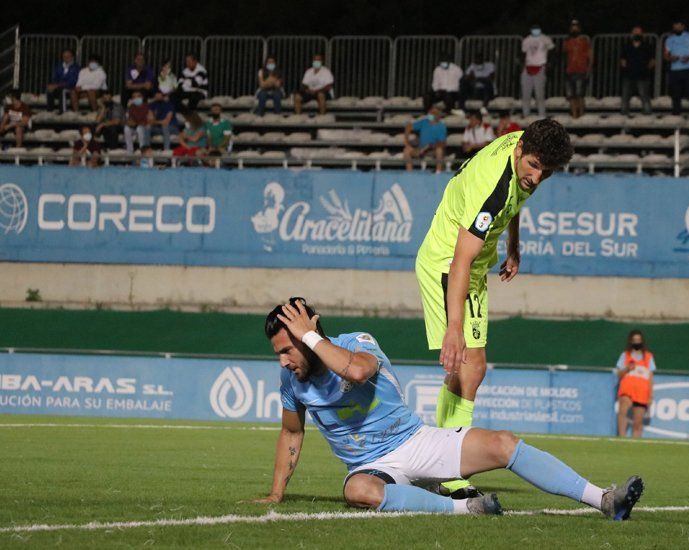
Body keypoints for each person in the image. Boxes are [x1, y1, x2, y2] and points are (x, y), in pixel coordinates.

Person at [253, 296, 644, 520]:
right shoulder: (291, 381)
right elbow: (292, 432)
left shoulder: (358, 343)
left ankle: (604, 499)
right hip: (371, 466)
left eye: (288, 349)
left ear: (311, 335)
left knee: (504, 444)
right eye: (279, 354)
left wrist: (307, 335)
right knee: (359, 490)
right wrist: (275, 494)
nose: (284, 362)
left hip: (416, 441)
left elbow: (355, 372)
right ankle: (465, 508)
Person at [415, 119, 573, 498]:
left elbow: (513, 202)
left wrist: (512, 245)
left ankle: (440, 461)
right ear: (520, 151)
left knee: (469, 370)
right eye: (534, 166)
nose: (537, 177)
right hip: (447, 264)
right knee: (470, 364)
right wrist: (454, 328)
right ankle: (450, 472)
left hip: (474, 267)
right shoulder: (494, 187)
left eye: (546, 172)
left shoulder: (527, 153)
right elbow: (460, 262)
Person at [615, 330, 655, 439]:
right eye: (634, 340)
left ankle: (635, 443)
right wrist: (627, 368)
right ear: (631, 342)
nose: (637, 343)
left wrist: (650, 396)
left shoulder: (648, 357)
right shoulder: (625, 355)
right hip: (627, 389)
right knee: (623, 412)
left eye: (639, 340)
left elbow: (650, 376)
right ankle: (621, 438)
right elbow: (619, 374)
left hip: (642, 392)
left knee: (638, 421)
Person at [664, 20, 689, 115]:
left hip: (688, 68)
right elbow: (666, 55)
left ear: (683, 27)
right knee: (676, 92)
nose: (677, 28)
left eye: (679, 26)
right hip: (675, 69)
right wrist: (672, 58)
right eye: (675, 27)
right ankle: (676, 112)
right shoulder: (669, 39)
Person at [520, 24, 554, 118]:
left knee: (539, 93)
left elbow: (552, 51)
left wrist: (549, 63)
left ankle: (542, 114)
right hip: (528, 67)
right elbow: (522, 53)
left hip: (540, 66)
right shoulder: (527, 39)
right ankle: (525, 113)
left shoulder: (545, 39)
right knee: (526, 93)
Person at [619, 26, 655, 115]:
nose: (637, 34)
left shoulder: (647, 46)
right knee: (625, 96)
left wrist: (646, 69)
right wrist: (626, 68)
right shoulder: (627, 46)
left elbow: (652, 60)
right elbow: (622, 60)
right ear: (632, 34)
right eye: (635, 32)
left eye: (639, 32)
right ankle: (624, 113)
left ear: (642, 34)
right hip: (628, 74)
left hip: (643, 74)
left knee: (644, 95)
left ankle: (647, 113)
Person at [563, 19, 593, 119]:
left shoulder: (584, 41)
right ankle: (574, 115)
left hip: (581, 70)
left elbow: (590, 54)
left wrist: (589, 68)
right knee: (571, 95)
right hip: (570, 70)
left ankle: (581, 114)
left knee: (580, 94)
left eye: (576, 27)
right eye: (572, 27)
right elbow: (564, 53)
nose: (574, 28)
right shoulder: (567, 41)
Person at [403, 106, 447, 173]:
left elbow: (442, 143)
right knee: (407, 150)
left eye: (433, 113)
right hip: (420, 149)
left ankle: (438, 172)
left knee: (439, 151)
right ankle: (409, 172)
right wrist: (406, 142)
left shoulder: (441, 126)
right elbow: (408, 127)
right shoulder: (424, 122)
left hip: (432, 150)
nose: (430, 114)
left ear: (438, 115)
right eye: (430, 112)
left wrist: (429, 146)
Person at [46, 49, 80, 113]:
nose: (66, 58)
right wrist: (53, 85)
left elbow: (72, 82)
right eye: (64, 56)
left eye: (68, 56)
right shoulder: (59, 67)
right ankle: (50, 111)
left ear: (72, 57)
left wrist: (58, 85)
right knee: (49, 89)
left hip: (70, 88)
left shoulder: (76, 68)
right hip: (59, 87)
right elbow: (55, 78)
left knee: (63, 90)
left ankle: (63, 111)